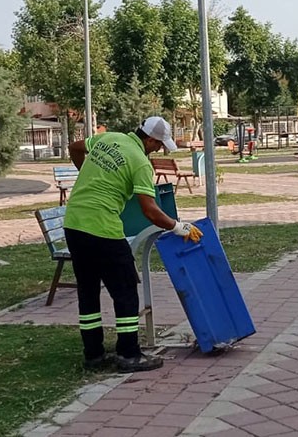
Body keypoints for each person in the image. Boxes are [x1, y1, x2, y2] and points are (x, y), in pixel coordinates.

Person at [63, 116, 204, 373]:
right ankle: (128, 354)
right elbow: (150, 211)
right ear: (149, 139)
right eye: (159, 145)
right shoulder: (140, 163)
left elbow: (74, 147)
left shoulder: (109, 137)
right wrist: (177, 226)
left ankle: (93, 355)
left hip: (73, 224)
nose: (159, 150)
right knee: (126, 289)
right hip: (102, 228)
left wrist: (88, 174)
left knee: (88, 290)